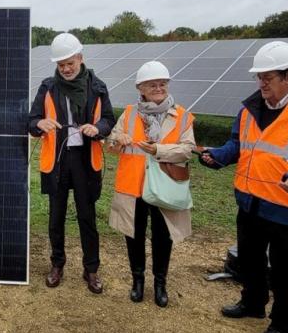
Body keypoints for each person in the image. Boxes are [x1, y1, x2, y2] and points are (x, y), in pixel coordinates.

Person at [199, 41, 288, 333]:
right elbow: (237, 146)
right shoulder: (248, 109)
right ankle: (252, 303)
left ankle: (283, 323)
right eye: (259, 77)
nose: (262, 83)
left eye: (268, 77)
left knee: (284, 270)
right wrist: (217, 156)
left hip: (286, 208)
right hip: (250, 200)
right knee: (251, 260)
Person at [28, 33, 115, 293]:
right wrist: (39, 124)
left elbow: (109, 120)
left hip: (85, 161)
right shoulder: (48, 87)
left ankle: (91, 269)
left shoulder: (97, 87)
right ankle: (57, 264)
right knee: (56, 216)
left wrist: (97, 128)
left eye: (70, 63)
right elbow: (31, 120)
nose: (65, 69)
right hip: (57, 160)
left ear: (80, 58)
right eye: (61, 65)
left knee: (87, 217)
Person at [107, 61, 195, 307]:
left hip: (164, 186)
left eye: (162, 83)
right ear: (141, 89)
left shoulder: (182, 116)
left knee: (162, 235)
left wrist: (158, 149)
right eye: (152, 84)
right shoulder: (129, 114)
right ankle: (137, 281)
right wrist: (118, 139)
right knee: (133, 234)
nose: (158, 88)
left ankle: (160, 283)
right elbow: (111, 145)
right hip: (132, 185)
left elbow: (188, 150)